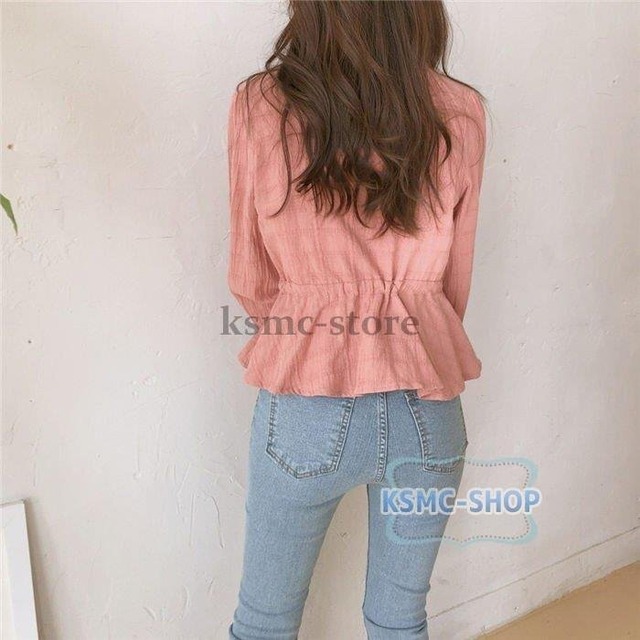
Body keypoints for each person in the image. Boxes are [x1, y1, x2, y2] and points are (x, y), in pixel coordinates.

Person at [226, 2, 487, 638]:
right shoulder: (461, 110)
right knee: (399, 621)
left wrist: (306, 328)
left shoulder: (262, 105)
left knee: (263, 622)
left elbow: (251, 277)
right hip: (427, 405)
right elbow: (453, 287)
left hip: (306, 404)